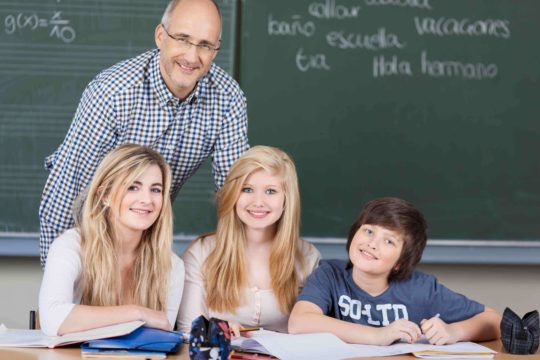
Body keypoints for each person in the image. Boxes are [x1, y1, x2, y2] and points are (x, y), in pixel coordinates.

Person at [38, 0, 249, 267]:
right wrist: (57, 280)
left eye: (205, 45)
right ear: (160, 36)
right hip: (92, 245)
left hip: (150, 243)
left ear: (216, 50)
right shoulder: (112, 93)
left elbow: (235, 194)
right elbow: (67, 194)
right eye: (182, 39)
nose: (192, 56)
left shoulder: (228, 99)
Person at [289, 197, 501, 345]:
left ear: (400, 262)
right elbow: (300, 322)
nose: (372, 243)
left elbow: (495, 320)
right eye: (369, 231)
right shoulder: (330, 274)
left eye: (388, 241)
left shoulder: (421, 289)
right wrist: (377, 335)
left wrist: (454, 332)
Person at [39, 144, 184, 336]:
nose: (147, 199)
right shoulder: (71, 246)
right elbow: (52, 319)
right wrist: (137, 312)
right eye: (133, 187)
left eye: (156, 190)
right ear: (105, 195)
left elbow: (160, 335)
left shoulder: (171, 265)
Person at [177, 146, 320, 334]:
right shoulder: (201, 252)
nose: (258, 201)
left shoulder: (307, 257)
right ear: (233, 195)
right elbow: (189, 331)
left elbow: (313, 332)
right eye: (247, 189)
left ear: (287, 200)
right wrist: (217, 330)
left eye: (270, 191)